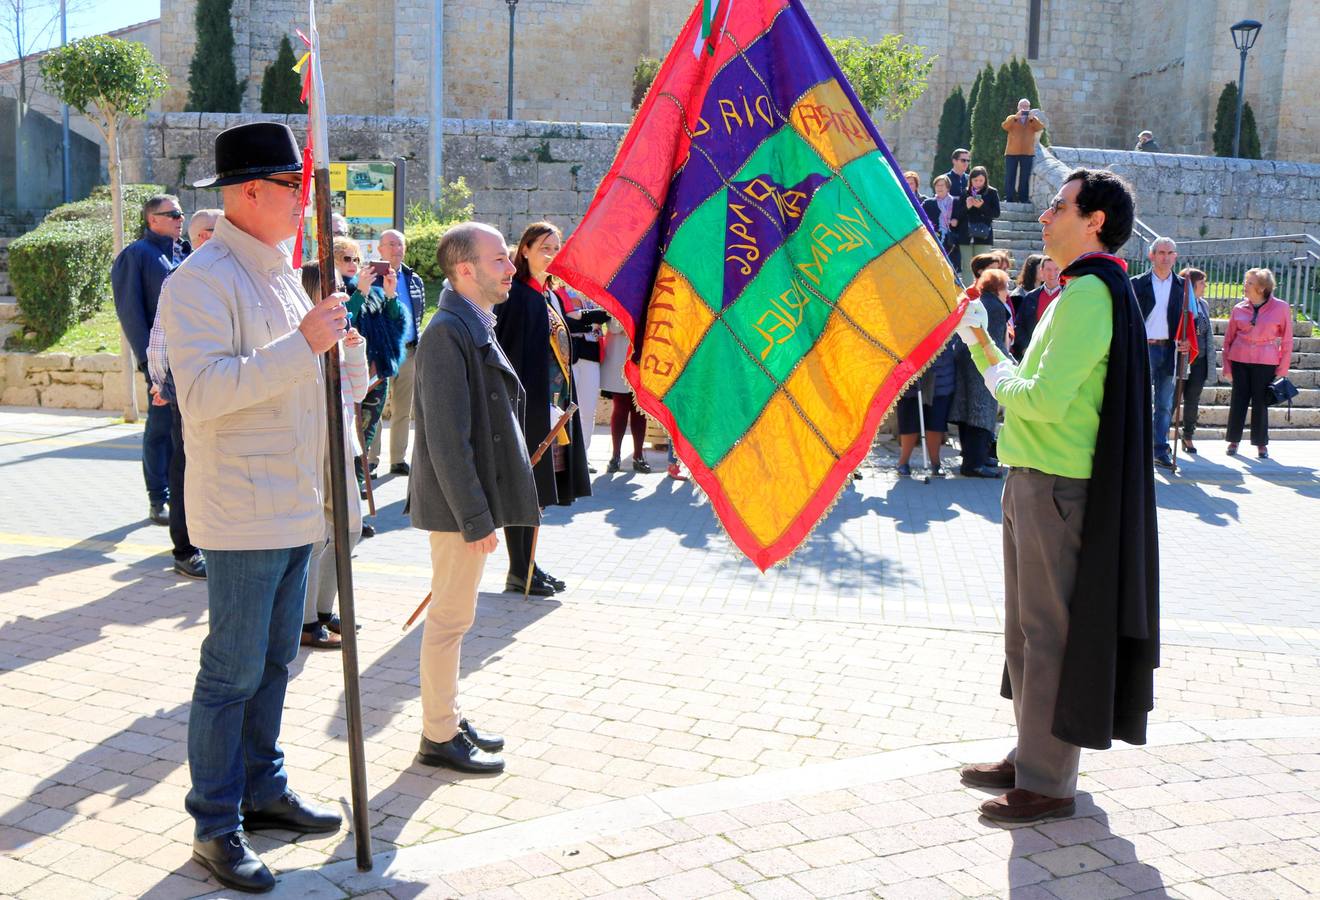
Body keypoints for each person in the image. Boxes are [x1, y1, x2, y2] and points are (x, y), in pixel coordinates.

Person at [162, 121, 346, 893]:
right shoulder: (198, 280)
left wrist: (340, 355)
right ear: (248, 193)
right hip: (242, 512)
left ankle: (263, 791)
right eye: (291, 187)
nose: (303, 201)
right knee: (231, 672)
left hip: (294, 503)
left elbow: (300, 384)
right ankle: (215, 821)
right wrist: (302, 345)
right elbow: (203, 397)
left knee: (277, 660)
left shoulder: (275, 273)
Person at [955, 167, 1158, 824]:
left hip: (1055, 487)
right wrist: (988, 343)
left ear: (1094, 220)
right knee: (1024, 635)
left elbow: (1039, 400)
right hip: (1032, 480)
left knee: (1047, 636)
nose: (1045, 216)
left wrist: (985, 356)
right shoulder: (1076, 294)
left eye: (1058, 205)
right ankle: (1031, 753)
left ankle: (1048, 781)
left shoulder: (1091, 297)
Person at [410, 222, 539, 774]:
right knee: (449, 621)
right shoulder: (448, 331)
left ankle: (447, 719)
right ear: (466, 269)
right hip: (459, 508)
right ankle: (438, 735)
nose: (511, 267)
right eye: (500, 260)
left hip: (470, 504)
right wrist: (474, 517)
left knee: (454, 618)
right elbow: (444, 437)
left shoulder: (469, 323)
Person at [495, 222, 607, 597]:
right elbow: (508, 357)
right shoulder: (515, 297)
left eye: (557, 248)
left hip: (552, 408)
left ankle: (529, 565)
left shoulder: (545, 295)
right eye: (545, 247)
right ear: (524, 249)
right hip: (529, 410)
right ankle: (519, 570)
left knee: (540, 490)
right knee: (524, 488)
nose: (552, 255)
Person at [298, 262, 370, 650]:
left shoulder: (340, 336)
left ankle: (322, 611)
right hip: (315, 443)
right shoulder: (303, 336)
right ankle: (307, 620)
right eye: (336, 287)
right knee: (317, 531)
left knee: (347, 528)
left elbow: (356, 394)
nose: (343, 294)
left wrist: (355, 351)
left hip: (340, 441)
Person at [111, 193, 189, 526]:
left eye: (182, 213)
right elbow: (131, 314)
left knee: (182, 433)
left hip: (189, 360)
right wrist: (148, 366)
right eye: (172, 214)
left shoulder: (184, 253)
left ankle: (181, 496)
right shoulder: (137, 255)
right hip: (159, 364)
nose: (179, 218)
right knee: (160, 431)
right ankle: (159, 499)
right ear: (151, 219)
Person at [334, 236, 406, 497]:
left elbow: (396, 327)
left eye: (356, 259)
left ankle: (358, 488)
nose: (353, 264)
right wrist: (361, 293)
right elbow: (341, 323)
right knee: (345, 440)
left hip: (375, 376)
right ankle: (347, 495)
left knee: (365, 436)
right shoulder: (332, 292)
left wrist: (389, 295)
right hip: (345, 376)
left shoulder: (374, 292)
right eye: (346, 258)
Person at [366, 229, 427, 476]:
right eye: (391, 244)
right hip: (380, 353)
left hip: (409, 352)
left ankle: (398, 459)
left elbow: (419, 313)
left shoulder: (414, 279)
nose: (396, 249)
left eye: (400, 244)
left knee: (404, 408)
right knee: (376, 406)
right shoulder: (371, 278)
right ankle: (371, 459)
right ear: (379, 250)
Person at [948, 259, 1010, 478]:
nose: (1008, 292)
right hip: (983, 362)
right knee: (981, 413)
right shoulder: (995, 306)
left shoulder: (982, 301)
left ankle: (975, 458)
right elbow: (994, 341)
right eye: (1006, 287)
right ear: (998, 288)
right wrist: (1007, 362)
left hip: (967, 359)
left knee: (968, 412)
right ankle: (975, 464)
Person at [1223, 267, 1293, 458]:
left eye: (1249, 282)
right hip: (1239, 359)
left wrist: (1283, 368)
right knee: (1238, 401)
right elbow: (1227, 340)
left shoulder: (1281, 308)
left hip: (1266, 360)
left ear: (1262, 288)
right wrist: (1226, 366)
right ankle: (1233, 441)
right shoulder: (1238, 308)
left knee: (1261, 403)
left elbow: (1287, 340)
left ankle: (1261, 444)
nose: (1245, 286)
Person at [1131, 237, 1187, 469]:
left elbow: (1197, 320)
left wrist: (1188, 341)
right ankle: (1135, 449)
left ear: (1175, 257)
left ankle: (1159, 449)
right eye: (1160, 252)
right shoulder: (1137, 283)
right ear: (1151, 255)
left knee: (1164, 403)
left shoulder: (1184, 286)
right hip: (1143, 348)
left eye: (1169, 252)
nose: (1165, 257)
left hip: (1169, 349)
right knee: (1138, 401)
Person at [894, 342, 956, 477]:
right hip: (909, 369)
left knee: (936, 421)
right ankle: (903, 463)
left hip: (940, 372)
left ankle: (936, 464)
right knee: (909, 420)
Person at [1176, 268, 1213, 454]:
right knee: (1171, 400)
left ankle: (1188, 436)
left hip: (1200, 360)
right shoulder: (1180, 304)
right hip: (1181, 359)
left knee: (1193, 400)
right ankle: (1157, 437)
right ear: (1191, 285)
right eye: (1201, 283)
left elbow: (1206, 335)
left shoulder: (1203, 304)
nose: (1205, 286)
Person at [1011, 255, 1061, 360]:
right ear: (1041, 271)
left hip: (1060, 354)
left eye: (1056, 269)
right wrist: (1025, 348)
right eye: (1048, 269)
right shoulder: (1031, 297)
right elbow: (1019, 325)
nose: (1052, 273)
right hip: (1033, 355)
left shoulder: (1068, 295)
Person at [957, 166, 1001, 284]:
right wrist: (967, 206)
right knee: (966, 266)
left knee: (982, 266)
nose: (978, 183)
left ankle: (981, 290)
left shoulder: (992, 192)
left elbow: (996, 213)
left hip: (983, 235)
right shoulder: (965, 193)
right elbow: (957, 215)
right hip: (966, 235)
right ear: (970, 180)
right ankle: (968, 293)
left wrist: (981, 206)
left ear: (985, 180)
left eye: (981, 180)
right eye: (975, 180)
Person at [1002, 99, 1045, 203]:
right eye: (1022, 106)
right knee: (1010, 175)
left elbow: (1040, 128)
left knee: (1025, 177)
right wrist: (1015, 118)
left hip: (1027, 153)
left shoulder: (1033, 119)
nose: (1024, 108)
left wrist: (1032, 119)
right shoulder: (1012, 118)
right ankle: (1009, 198)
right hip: (1011, 152)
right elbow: (1005, 126)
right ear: (1018, 107)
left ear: (1029, 108)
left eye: (1026, 106)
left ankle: (1023, 198)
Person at [922, 174, 964, 276]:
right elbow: (921, 219)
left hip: (951, 243)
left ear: (948, 188)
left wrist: (956, 221)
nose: (939, 188)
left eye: (942, 185)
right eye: (937, 185)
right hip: (934, 240)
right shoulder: (928, 203)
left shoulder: (956, 202)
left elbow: (962, 219)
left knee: (951, 271)